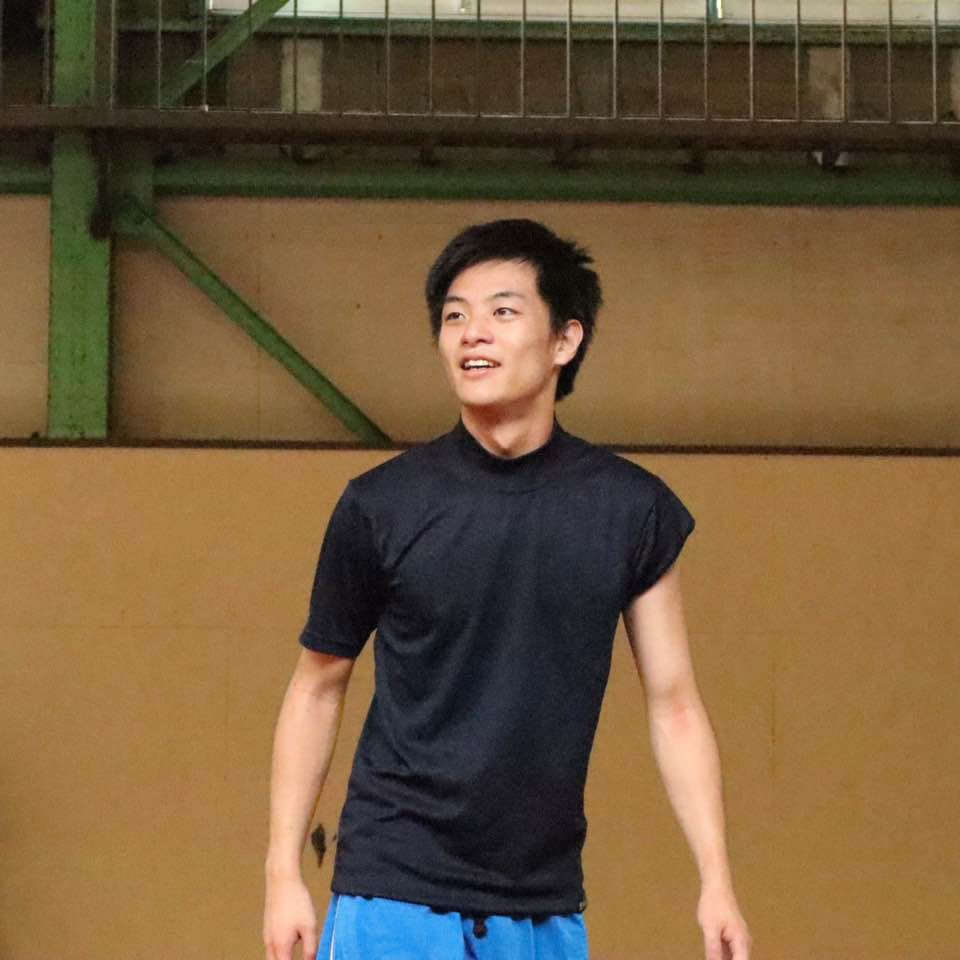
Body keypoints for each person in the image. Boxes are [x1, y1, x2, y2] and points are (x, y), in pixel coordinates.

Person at [263, 219, 751, 960]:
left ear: (565, 340)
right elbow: (317, 686)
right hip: (392, 889)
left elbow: (675, 703)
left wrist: (716, 879)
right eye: (454, 316)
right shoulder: (380, 505)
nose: (472, 334)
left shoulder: (631, 509)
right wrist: (282, 872)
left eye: (502, 311)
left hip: (541, 901)